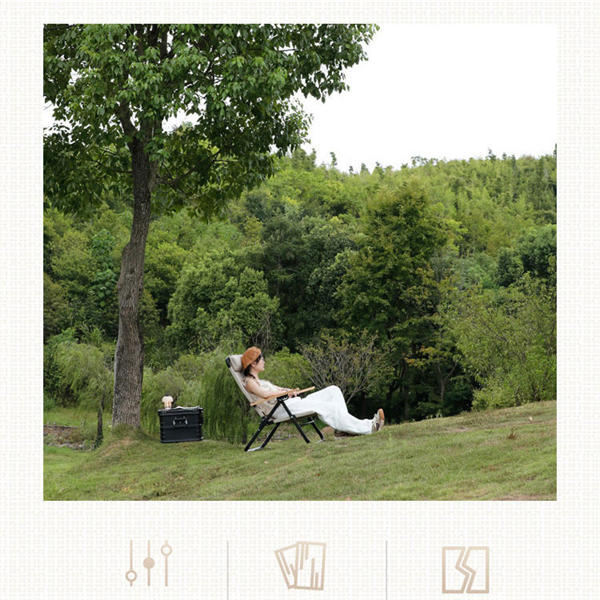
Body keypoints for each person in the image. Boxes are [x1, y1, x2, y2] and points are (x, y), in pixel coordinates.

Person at [240, 346, 384, 435]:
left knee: (333, 391)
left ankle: (344, 429)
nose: (264, 361)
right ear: (253, 364)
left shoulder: (262, 381)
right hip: (281, 409)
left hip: (291, 404)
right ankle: (369, 427)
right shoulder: (249, 382)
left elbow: (278, 390)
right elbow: (266, 395)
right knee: (326, 406)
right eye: (261, 359)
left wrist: (289, 391)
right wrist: (285, 394)